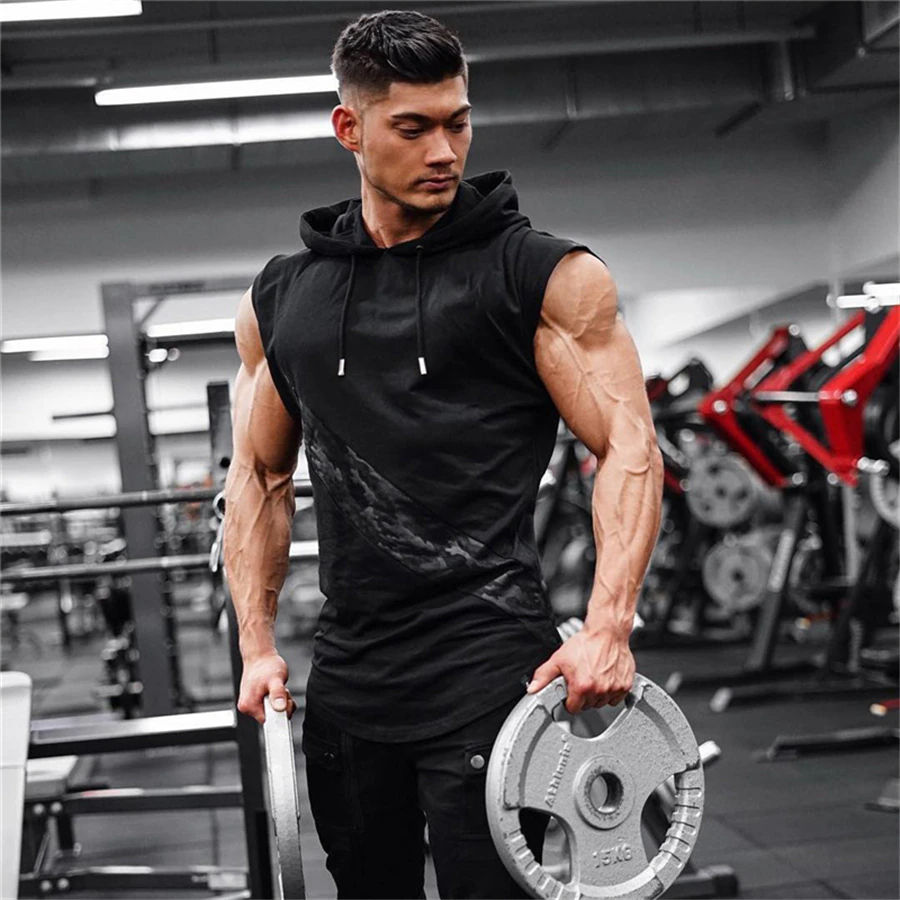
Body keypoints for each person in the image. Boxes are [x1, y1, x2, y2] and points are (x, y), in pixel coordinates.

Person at [224, 9, 663, 899]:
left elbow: (630, 446)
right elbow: (260, 476)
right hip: (350, 680)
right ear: (350, 128)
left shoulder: (539, 276)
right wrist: (257, 645)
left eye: (457, 123)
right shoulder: (284, 297)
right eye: (412, 128)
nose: (443, 151)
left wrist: (609, 627)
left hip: (491, 671)